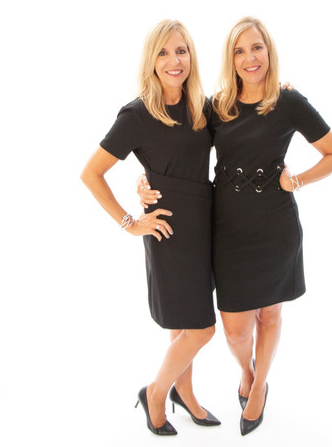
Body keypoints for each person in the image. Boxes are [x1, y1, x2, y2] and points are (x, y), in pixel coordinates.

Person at [138, 16, 332, 436]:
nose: (249, 58)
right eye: (239, 50)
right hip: (227, 228)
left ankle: (257, 386)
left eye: (257, 47)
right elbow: (176, 145)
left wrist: (297, 180)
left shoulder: (289, 102)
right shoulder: (217, 107)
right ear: (230, 59)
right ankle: (246, 371)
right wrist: (146, 182)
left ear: (269, 51)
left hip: (275, 226)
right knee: (235, 329)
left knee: (270, 314)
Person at [80, 19, 221, 436]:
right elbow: (91, 173)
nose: (173, 60)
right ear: (151, 60)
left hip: (204, 223)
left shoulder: (202, 107)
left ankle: (185, 392)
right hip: (169, 231)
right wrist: (129, 222)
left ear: (191, 56)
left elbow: (244, 114)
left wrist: (281, 92)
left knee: (183, 322)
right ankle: (156, 393)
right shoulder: (137, 114)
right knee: (202, 328)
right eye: (163, 52)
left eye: (181, 51)